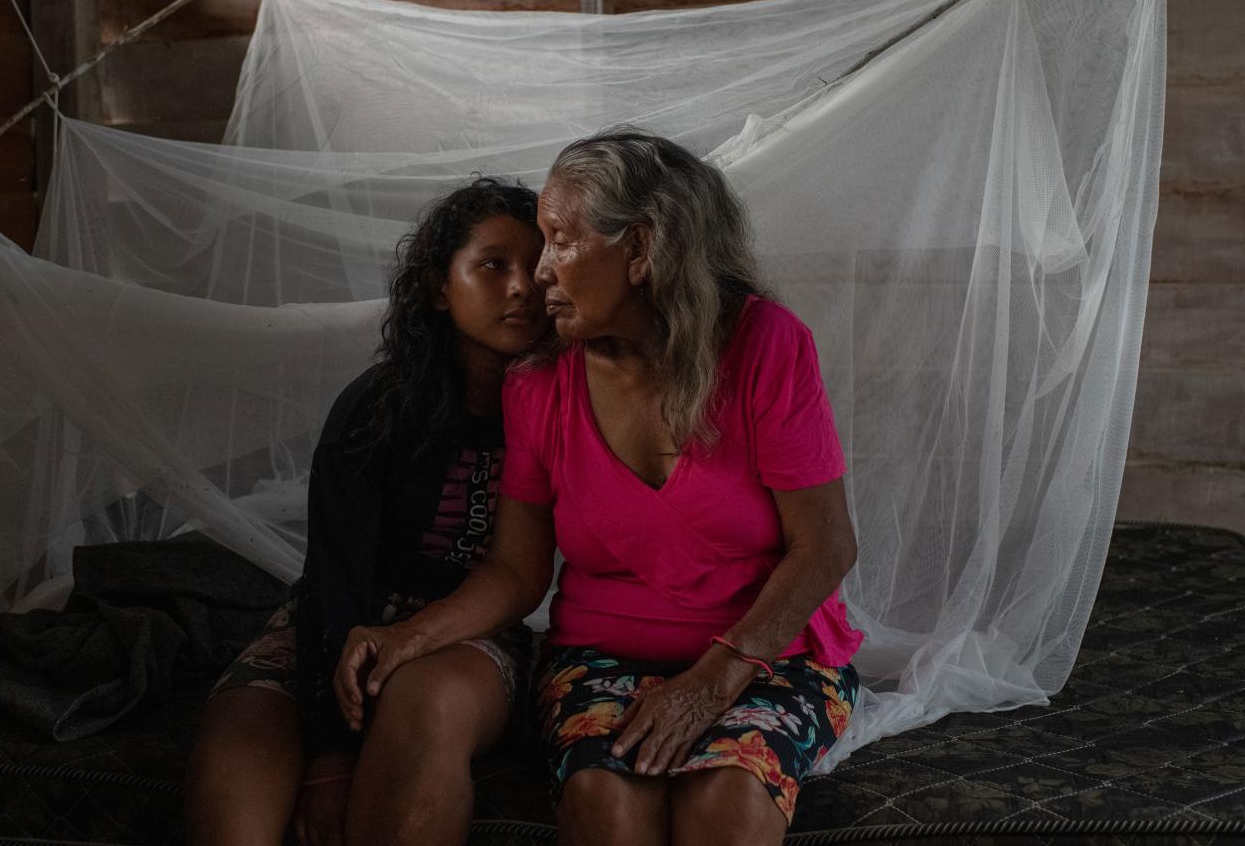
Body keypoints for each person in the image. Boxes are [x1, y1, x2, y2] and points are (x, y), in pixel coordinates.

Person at [346, 129, 861, 846]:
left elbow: (826, 546)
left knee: (729, 798)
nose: (539, 273)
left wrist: (711, 682)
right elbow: (516, 571)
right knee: (604, 802)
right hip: (603, 654)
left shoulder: (765, 345)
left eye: (558, 240)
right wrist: (409, 637)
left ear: (642, 249)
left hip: (762, 653)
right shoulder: (537, 385)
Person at [184, 177, 548, 846]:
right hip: (339, 613)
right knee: (237, 750)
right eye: (493, 265)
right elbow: (334, 572)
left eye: (536, 265)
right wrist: (331, 750)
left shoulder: (569, 406)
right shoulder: (377, 407)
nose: (522, 285)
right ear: (440, 288)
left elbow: (521, 577)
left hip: (474, 628)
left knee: (426, 706)